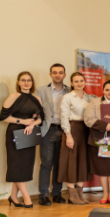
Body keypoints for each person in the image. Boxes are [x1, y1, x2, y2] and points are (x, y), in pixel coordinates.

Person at [0, 71, 45, 208]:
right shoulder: (13, 97)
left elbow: (41, 118)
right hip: (15, 134)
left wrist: (32, 124)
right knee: (17, 165)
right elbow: (3, 116)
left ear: (32, 83)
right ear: (18, 82)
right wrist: (23, 121)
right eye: (23, 80)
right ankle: (26, 197)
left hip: (29, 134)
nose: (26, 83)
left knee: (25, 166)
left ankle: (13, 196)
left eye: (29, 80)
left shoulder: (37, 98)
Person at [58, 72, 96, 205]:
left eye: (81, 81)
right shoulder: (67, 97)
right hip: (73, 130)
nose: (79, 83)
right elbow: (64, 117)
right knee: (71, 162)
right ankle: (72, 196)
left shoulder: (90, 98)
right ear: (72, 83)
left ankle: (80, 195)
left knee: (82, 162)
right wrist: (68, 135)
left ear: (85, 82)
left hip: (86, 131)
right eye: (76, 81)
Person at [35, 64, 68, 205]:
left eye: (60, 72)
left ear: (64, 75)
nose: (57, 75)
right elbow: (36, 110)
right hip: (48, 129)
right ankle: (43, 195)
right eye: (55, 72)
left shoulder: (70, 91)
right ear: (50, 75)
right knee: (46, 163)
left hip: (64, 130)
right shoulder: (41, 90)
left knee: (59, 164)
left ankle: (57, 193)